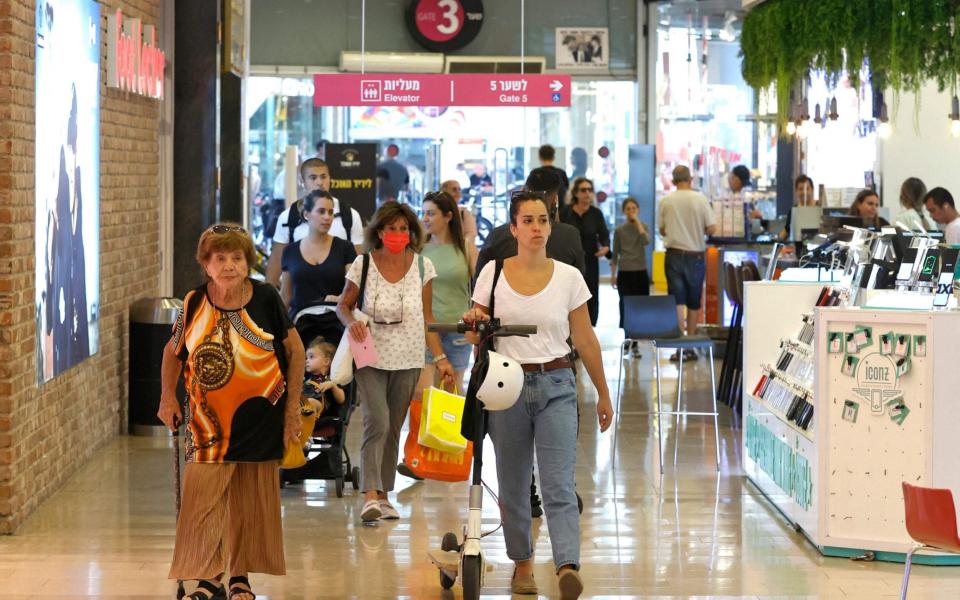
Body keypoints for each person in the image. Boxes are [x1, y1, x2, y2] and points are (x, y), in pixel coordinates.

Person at [463, 190, 615, 599]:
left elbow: (584, 338)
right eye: (527, 220)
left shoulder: (568, 277)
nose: (536, 228)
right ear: (513, 228)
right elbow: (473, 331)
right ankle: (523, 565)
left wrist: (603, 392)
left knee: (558, 484)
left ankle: (567, 565)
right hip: (505, 386)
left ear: (551, 224)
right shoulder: (492, 273)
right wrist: (474, 324)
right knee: (513, 486)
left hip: (557, 384)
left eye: (543, 220)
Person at [158, 223, 304, 600]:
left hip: (261, 416)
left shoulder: (267, 297)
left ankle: (239, 577)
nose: (228, 265)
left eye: (236, 257)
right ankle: (208, 578)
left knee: (248, 502)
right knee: (203, 501)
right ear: (205, 265)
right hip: (207, 422)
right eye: (219, 258)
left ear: (246, 262)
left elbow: (296, 352)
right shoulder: (193, 302)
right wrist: (167, 399)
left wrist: (292, 411)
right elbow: (173, 353)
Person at [337, 202, 454, 522]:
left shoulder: (422, 267)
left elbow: (428, 317)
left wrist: (441, 357)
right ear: (379, 231)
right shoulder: (362, 265)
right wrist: (350, 322)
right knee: (378, 418)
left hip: (409, 354)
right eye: (392, 228)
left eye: (404, 229)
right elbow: (343, 306)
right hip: (368, 351)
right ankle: (370, 494)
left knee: (393, 426)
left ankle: (384, 494)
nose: (398, 234)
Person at [266, 158, 364, 286]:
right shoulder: (288, 217)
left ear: (329, 179)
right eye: (313, 178)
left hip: (339, 300)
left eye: (323, 177)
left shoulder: (350, 216)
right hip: (299, 299)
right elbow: (276, 262)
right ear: (302, 182)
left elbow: (358, 266)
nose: (319, 182)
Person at [280, 190, 357, 347]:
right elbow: (285, 297)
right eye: (321, 211)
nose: (327, 217)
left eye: (330, 212)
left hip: (337, 325)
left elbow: (355, 290)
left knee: (346, 369)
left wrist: (341, 298)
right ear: (307, 214)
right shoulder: (290, 251)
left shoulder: (345, 248)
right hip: (301, 327)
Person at [476, 168, 585, 279]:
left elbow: (480, 282)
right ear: (555, 200)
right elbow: (579, 281)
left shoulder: (496, 236)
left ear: (524, 192)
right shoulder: (570, 236)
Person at [658, 165, 718, 361]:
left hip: (674, 254)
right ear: (690, 179)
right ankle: (690, 346)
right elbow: (712, 228)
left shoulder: (666, 201)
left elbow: (663, 230)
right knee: (693, 300)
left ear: (674, 181)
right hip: (696, 256)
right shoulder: (699, 199)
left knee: (677, 300)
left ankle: (679, 345)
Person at [560, 177, 609, 326]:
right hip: (569, 261)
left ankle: (588, 328)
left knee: (590, 294)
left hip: (590, 260)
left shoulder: (596, 213)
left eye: (589, 190)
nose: (587, 193)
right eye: (583, 190)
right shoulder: (565, 212)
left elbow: (604, 235)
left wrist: (606, 247)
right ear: (575, 192)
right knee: (568, 295)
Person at [611, 197, 650, 357]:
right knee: (625, 305)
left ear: (638, 210)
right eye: (628, 209)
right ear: (624, 211)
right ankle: (627, 339)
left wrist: (638, 224)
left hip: (640, 271)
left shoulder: (644, 227)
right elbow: (615, 254)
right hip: (625, 271)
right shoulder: (619, 231)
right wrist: (613, 275)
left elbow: (646, 241)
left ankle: (635, 343)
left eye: (634, 208)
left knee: (640, 306)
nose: (631, 211)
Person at [303, 337, 345, 418]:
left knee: (310, 402)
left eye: (311, 357)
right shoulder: (306, 377)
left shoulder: (331, 379)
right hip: (304, 403)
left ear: (326, 361)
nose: (306, 360)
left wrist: (332, 386)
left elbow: (341, 399)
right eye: (306, 358)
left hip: (322, 409)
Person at [441, 178, 479, 258]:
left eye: (459, 189)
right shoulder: (437, 213)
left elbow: (471, 234)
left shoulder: (464, 213)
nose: (458, 192)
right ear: (445, 192)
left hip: (461, 254)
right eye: (454, 189)